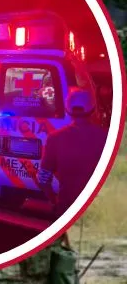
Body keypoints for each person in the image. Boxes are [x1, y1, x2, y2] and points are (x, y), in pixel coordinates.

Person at [37, 87, 108, 219]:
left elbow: (43, 178)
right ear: (92, 109)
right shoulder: (107, 137)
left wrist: (53, 201)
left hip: (67, 207)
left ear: (68, 110)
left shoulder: (55, 138)